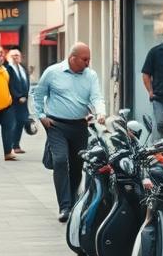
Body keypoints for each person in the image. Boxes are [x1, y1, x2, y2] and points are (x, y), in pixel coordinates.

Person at [32, 43, 107, 221]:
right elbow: (38, 94)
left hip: (79, 126)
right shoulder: (53, 72)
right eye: (85, 59)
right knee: (59, 161)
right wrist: (41, 116)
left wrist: (100, 112)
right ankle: (64, 207)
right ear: (73, 58)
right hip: (56, 126)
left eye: (89, 59)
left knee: (76, 166)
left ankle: (74, 203)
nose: (88, 63)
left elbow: (96, 96)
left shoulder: (91, 75)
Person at [5, 49, 31, 155]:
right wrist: (18, 96)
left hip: (23, 102)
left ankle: (16, 145)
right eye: (14, 55)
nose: (16, 57)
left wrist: (25, 96)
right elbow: (9, 85)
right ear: (9, 57)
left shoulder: (22, 68)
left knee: (21, 122)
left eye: (18, 55)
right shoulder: (8, 69)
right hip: (13, 102)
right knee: (13, 124)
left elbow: (26, 83)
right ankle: (10, 146)